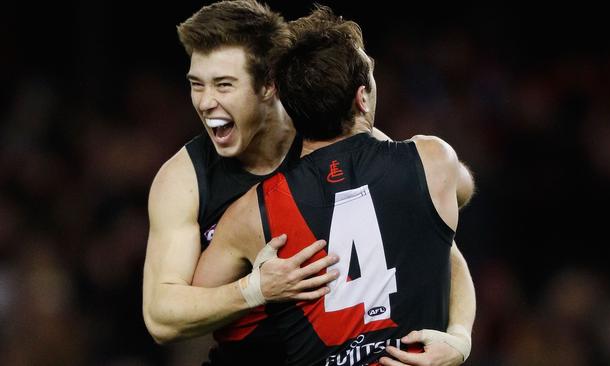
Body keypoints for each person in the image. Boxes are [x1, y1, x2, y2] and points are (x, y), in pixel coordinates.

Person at [143, 0, 475, 364]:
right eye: (197, 85)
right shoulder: (184, 179)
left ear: (269, 85)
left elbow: (437, 245)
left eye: (224, 85)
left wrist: (459, 336)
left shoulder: (329, 127)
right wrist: (255, 290)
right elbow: (162, 318)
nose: (206, 102)